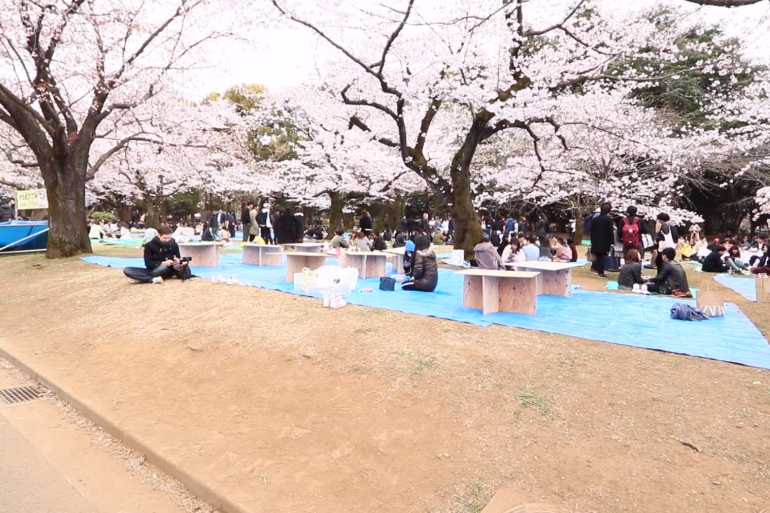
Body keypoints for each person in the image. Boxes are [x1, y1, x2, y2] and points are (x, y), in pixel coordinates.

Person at [123, 226, 190, 284]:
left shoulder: (174, 244)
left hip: (169, 270)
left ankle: (143, 278)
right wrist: (162, 263)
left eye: (169, 238)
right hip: (154, 269)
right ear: (158, 235)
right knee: (127, 270)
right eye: (165, 238)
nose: (167, 240)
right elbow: (148, 264)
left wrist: (178, 261)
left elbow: (178, 257)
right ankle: (152, 279)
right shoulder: (149, 245)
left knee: (164, 268)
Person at [590, 202, 615, 278]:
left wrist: (592, 240)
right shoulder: (609, 220)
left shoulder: (595, 219)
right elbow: (610, 231)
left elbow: (592, 231)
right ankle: (601, 272)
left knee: (598, 257)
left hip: (596, 240)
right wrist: (612, 241)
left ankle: (597, 270)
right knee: (603, 257)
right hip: (605, 241)